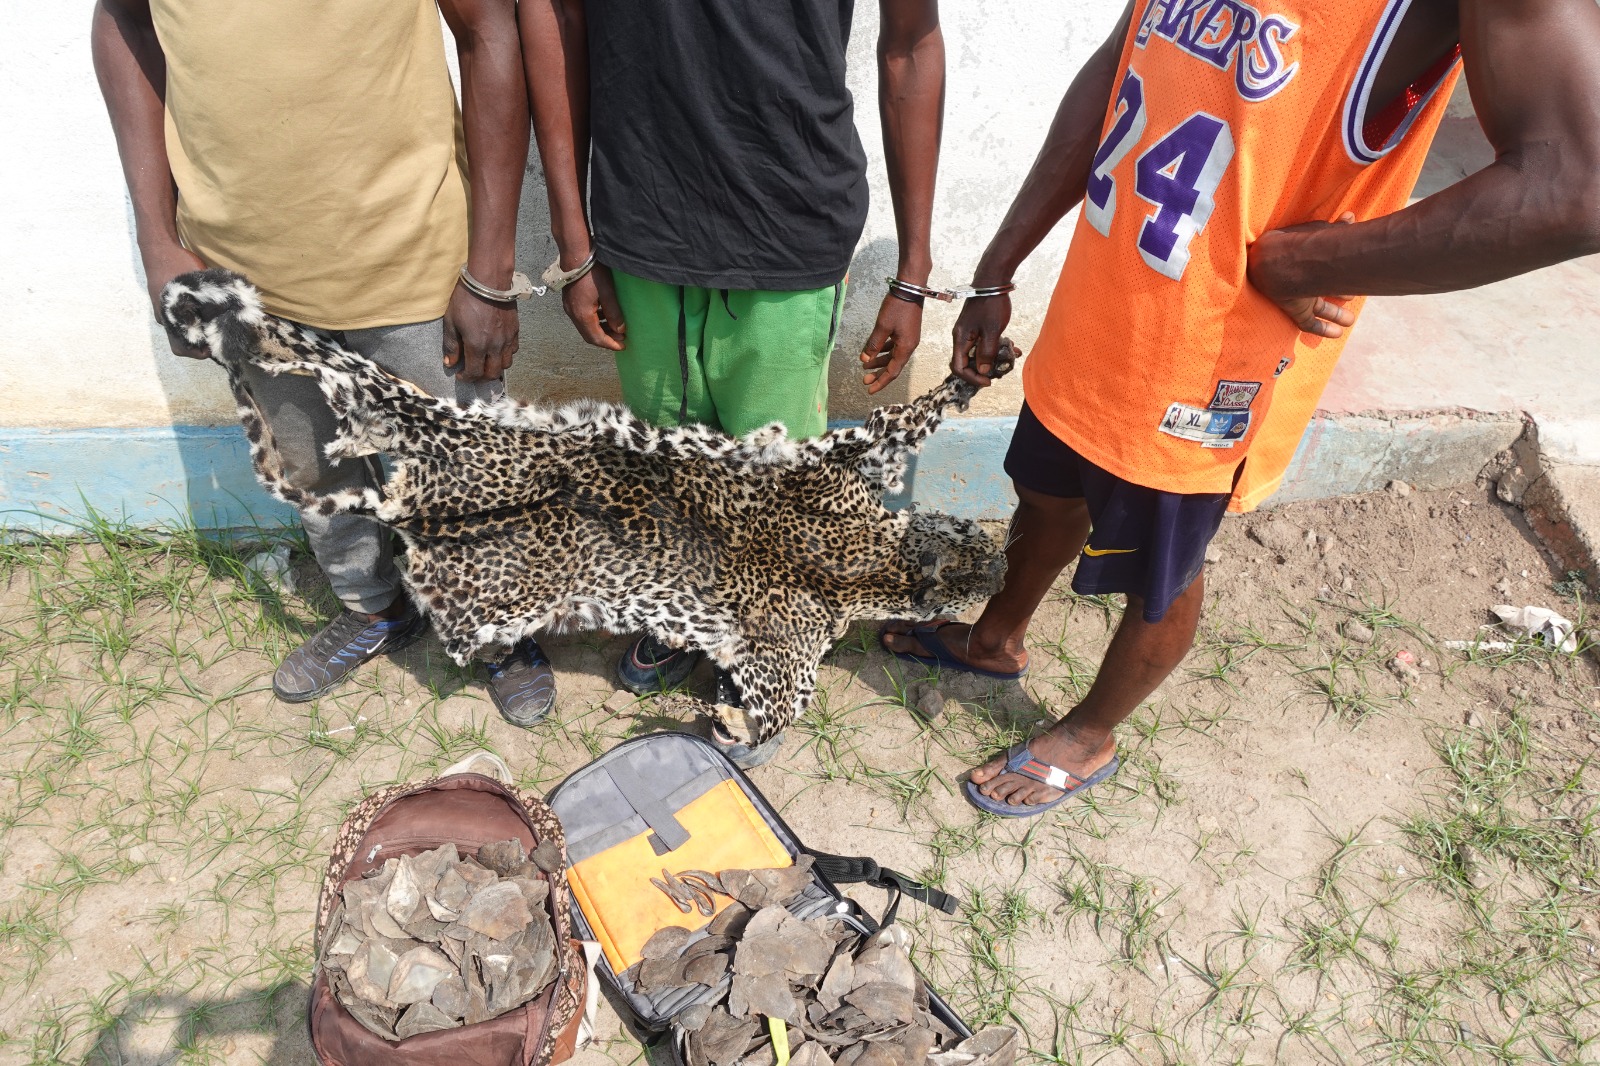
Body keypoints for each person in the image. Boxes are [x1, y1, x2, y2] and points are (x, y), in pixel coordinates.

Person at [878, 0, 1600, 814]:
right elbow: (1117, 72)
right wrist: (1000, 265)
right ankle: (995, 639)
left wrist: (1309, 262)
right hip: (1101, 307)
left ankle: (1088, 733)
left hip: (1217, 360)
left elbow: (1574, 185)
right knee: (1047, 494)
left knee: (1164, 572)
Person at [92, 0, 559, 726]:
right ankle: (374, 609)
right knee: (311, 467)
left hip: (411, 258)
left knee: (457, 471)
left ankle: (497, 627)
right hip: (243, 275)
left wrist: (490, 269)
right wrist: (157, 239)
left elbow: (488, 29)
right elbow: (124, 23)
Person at [521, 0, 946, 760]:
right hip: (643, 220)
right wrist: (572, 240)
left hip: (790, 224)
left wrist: (913, 270)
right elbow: (559, 20)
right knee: (667, 462)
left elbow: (910, 44)